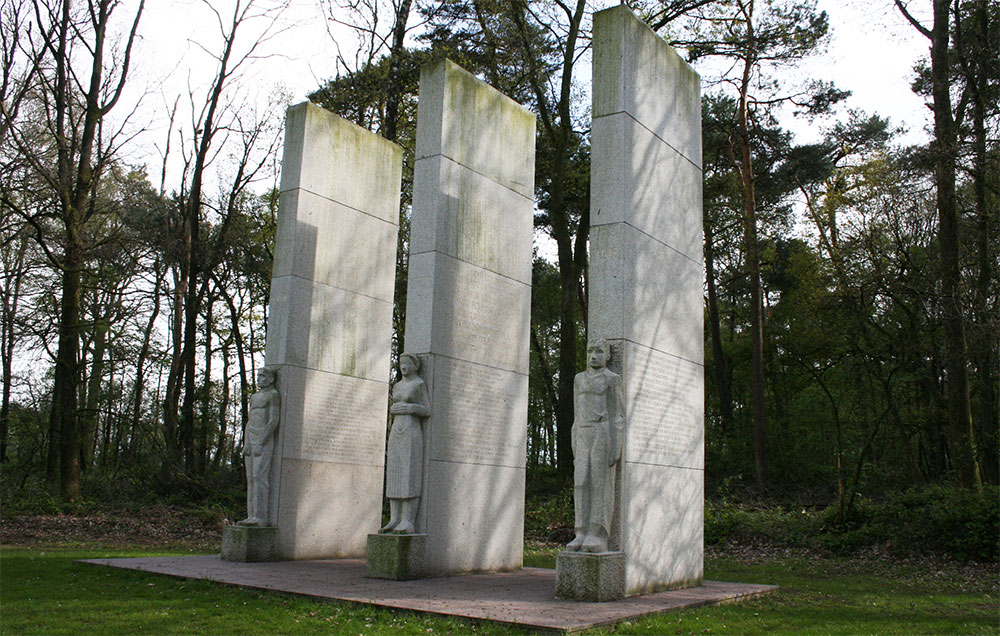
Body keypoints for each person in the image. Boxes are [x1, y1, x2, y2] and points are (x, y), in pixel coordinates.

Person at [566, 339, 624, 553]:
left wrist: (616, 444)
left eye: (599, 351)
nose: (593, 356)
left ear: (607, 355)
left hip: (602, 431)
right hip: (583, 432)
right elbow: (576, 411)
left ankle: (597, 533)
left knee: (600, 484)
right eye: (590, 351)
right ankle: (580, 532)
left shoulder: (612, 379)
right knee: (581, 482)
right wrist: (574, 438)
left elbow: (618, 414)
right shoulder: (579, 379)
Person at [380, 353, 431, 534]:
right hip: (396, 431)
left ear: (415, 365)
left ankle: (407, 520)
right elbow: (393, 406)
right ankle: (394, 518)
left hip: (411, 431)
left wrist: (411, 408)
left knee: (409, 475)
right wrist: (394, 409)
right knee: (394, 474)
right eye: (401, 363)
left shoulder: (419, 384)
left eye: (407, 363)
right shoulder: (398, 385)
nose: (403, 366)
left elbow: (426, 409)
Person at [239, 366, 280, 526]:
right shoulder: (254, 397)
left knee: (259, 477)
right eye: (258, 376)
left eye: (263, 377)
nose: (259, 379)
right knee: (250, 478)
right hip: (251, 439)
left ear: (271, 379)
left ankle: (260, 517)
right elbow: (249, 422)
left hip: (263, 440)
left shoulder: (273, 395)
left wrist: (262, 441)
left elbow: (273, 420)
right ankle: (251, 515)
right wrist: (247, 442)